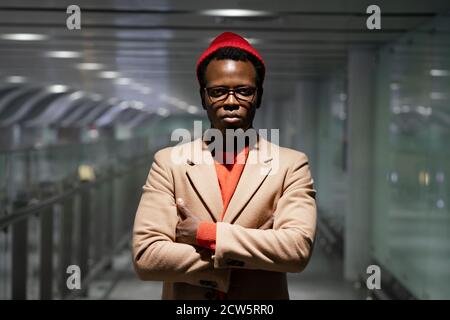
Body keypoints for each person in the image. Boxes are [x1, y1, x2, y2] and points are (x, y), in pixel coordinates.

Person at [132, 32, 317, 300]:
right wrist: (254, 252)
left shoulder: (291, 165)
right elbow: (147, 256)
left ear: (259, 96)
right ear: (203, 97)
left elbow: (296, 251)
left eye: (244, 91)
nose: (231, 102)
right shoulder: (169, 163)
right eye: (218, 92)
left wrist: (205, 234)